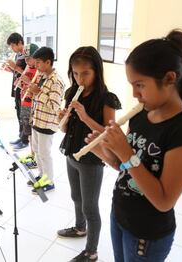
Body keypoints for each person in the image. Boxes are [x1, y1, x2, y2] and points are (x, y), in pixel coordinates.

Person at [86, 29, 182, 261]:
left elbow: (163, 201)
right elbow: (125, 168)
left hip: (147, 234)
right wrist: (103, 151)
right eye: (132, 85)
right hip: (119, 215)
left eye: (140, 85)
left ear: (169, 78)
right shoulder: (141, 115)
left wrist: (126, 153)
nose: (135, 94)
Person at [57, 46, 121, 262]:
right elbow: (65, 129)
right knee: (76, 197)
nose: (80, 78)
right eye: (75, 73)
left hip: (92, 159)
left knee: (90, 206)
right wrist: (63, 118)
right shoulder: (71, 92)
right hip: (71, 152)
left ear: (97, 71)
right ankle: (79, 228)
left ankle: (91, 251)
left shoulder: (106, 98)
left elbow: (109, 134)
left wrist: (84, 117)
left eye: (85, 73)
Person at [27, 46, 65, 193]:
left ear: (48, 62)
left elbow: (54, 106)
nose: (36, 66)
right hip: (37, 120)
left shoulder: (56, 81)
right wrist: (33, 93)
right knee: (37, 151)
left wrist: (38, 93)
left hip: (47, 124)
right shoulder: (43, 77)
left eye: (38, 63)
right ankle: (42, 176)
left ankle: (49, 182)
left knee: (45, 153)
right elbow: (40, 98)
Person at [13, 43, 39, 153]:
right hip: (24, 102)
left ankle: (34, 154)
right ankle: (31, 153)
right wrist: (19, 83)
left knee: (33, 132)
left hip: (32, 105)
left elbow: (38, 88)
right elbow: (25, 82)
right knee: (27, 129)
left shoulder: (38, 71)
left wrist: (27, 81)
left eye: (29, 59)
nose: (27, 61)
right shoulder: (28, 67)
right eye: (26, 59)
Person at [4, 33, 28, 149]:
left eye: (13, 45)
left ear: (20, 42)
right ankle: (21, 136)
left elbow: (28, 73)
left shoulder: (27, 54)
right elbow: (18, 72)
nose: (12, 49)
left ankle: (25, 140)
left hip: (24, 89)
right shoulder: (18, 55)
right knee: (19, 113)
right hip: (17, 88)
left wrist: (14, 67)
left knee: (24, 115)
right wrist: (10, 69)